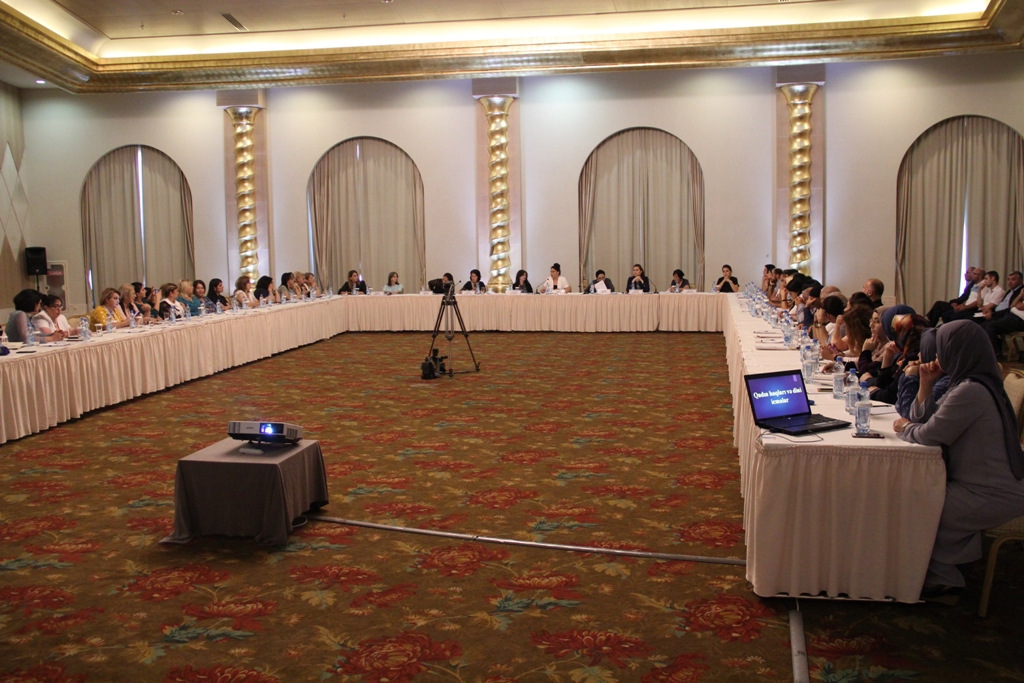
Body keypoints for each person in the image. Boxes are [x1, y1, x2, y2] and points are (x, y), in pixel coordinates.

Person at [894, 320, 1024, 600]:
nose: (937, 354)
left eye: (943, 348)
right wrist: (925, 384)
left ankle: (945, 578)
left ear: (957, 351)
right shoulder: (968, 382)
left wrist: (905, 428)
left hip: (991, 492)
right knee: (916, 497)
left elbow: (929, 434)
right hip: (983, 485)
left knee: (916, 505)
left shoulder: (971, 391)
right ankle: (948, 566)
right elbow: (926, 421)